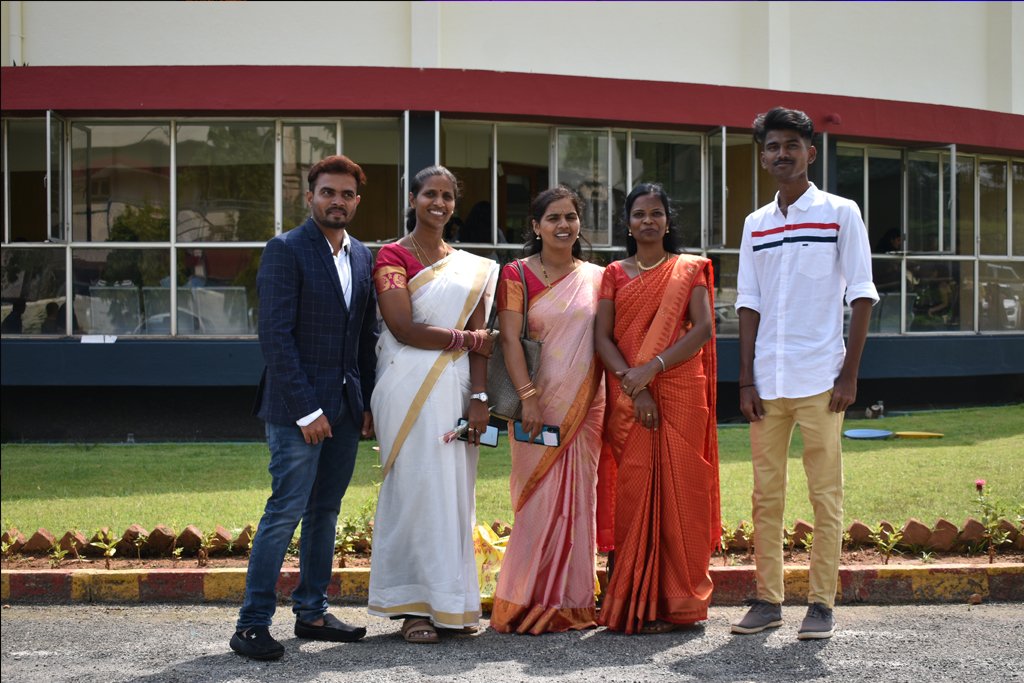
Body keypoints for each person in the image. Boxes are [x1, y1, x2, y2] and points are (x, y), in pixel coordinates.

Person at [731, 108, 878, 640]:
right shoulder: (755, 224)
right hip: (767, 383)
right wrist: (745, 380)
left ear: (810, 153)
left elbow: (862, 295)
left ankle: (821, 604)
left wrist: (849, 376)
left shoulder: (841, 212)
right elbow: (748, 302)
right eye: (773, 146)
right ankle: (768, 600)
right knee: (765, 498)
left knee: (825, 496)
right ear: (763, 156)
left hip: (822, 381)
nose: (782, 154)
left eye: (792, 145)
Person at [231, 154, 379, 661]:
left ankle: (312, 612)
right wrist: (306, 410)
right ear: (310, 196)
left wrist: (366, 403)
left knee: (325, 512)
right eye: (328, 192)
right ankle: (251, 625)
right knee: (285, 511)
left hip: (346, 408)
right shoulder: (286, 249)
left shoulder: (363, 256)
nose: (337, 201)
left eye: (347, 194)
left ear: (356, 202)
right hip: (297, 411)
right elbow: (275, 337)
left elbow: (364, 337)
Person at [367, 165, 499, 644]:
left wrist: (480, 397)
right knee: (416, 490)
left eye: (447, 196)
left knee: (455, 495)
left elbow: (485, 341)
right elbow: (403, 327)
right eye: (430, 194)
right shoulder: (393, 255)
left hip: (458, 388)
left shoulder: (472, 268)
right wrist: (466, 339)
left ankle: (452, 605)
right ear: (413, 199)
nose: (438, 203)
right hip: (406, 387)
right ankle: (412, 609)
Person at [594, 182, 720, 634]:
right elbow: (602, 338)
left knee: (682, 489)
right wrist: (637, 387)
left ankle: (677, 602)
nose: (648, 221)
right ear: (628, 224)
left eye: (656, 213)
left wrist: (654, 368)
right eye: (639, 214)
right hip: (631, 393)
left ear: (668, 221)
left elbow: (703, 328)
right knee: (634, 490)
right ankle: (636, 599)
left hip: (681, 387)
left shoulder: (688, 269)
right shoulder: (614, 274)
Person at [490, 186, 606, 634]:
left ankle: (573, 603)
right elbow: (509, 338)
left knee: (581, 499)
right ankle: (523, 601)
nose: (563, 225)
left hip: (587, 405)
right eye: (553, 218)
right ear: (536, 227)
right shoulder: (517, 274)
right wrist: (528, 396)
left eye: (570, 217)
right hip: (536, 404)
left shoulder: (598, 277)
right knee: (535, 500)